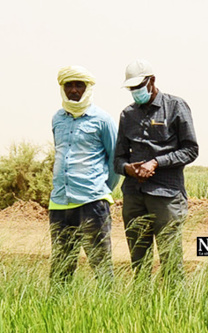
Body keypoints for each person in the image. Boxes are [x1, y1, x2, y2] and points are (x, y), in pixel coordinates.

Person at [114, 59, 198, 280]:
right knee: (139, 263)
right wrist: (128, 168)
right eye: (131, 88)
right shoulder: (127, 114)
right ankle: (141, 309)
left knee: (171, 262)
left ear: (151, 81)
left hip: (166, 196)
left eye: (138, 86)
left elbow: (190, 150)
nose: (135, 92)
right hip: (134, 196)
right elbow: (118, 159)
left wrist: (156, 162)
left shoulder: (175, 106)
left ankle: (174, 310)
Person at [49, 66, 119, 284]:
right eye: (69, 85)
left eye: (79, 85)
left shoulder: (102, 119)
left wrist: (98, 189)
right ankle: (57, 312)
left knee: (101, 266)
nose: (74, 90)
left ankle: (109, 313)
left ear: (88, 88)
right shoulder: (57, 119)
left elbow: (115, 161)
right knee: (61, 267)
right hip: (60, 203)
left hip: (92, 203)